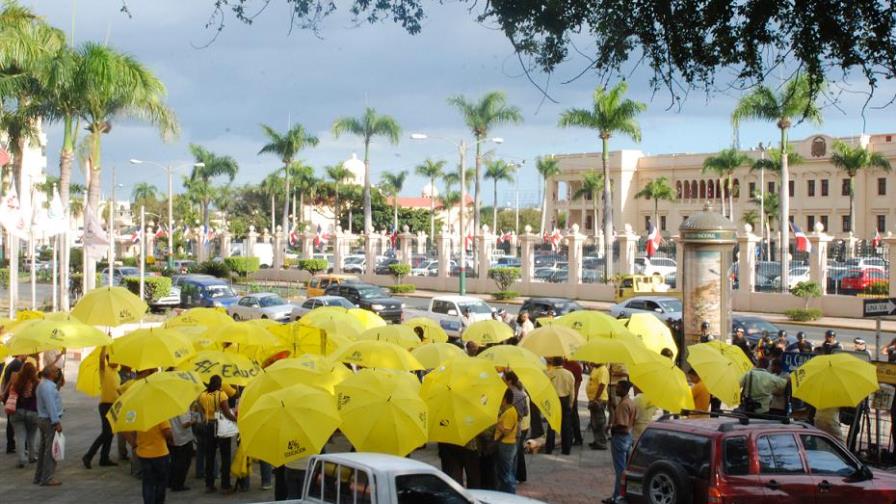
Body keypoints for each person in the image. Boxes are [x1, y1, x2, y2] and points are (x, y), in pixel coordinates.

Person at [198, 375, 237, 493]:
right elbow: (226, 413)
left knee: (210, 456)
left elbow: (199, 405)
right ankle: (225, 485)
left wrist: (205, 415)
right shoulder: (221, 395)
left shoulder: (203, 395)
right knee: (225, 456)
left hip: (208, 425)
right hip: (220, 426)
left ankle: (209, 484)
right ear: (220, 384)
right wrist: (235, 419)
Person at [83, 346, 120, 469]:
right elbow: (101, 360)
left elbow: (117, 389)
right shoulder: (105, 371)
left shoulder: (117, 373)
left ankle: (104, 458)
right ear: (108, 360)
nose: (117, 362)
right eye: (115, 359)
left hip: (114, 406)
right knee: (106, 433)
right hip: (105, 405)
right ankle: (88, 456)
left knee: (110, 433)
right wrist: (104, 345)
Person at [129, 421, 173, 504]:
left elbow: (132, 433)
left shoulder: (139, 417)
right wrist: (171, 438)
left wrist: (134, 445)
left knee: (147, 482)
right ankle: (158, 501)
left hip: (143, 454)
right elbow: (167, 433)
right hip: (160, 453)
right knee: (161, 481)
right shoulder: (159, 416)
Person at [605, 380, 635, 504]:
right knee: (625, 470)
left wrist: (612, 428)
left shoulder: (624, 405)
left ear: (624, 389)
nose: (616, 389)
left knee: (620, 471)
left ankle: (617, 497)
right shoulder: (628, 402)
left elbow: (623, 426)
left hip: (621, 438)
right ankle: (623, 495)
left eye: (618, 388)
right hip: (627, 438)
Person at [34, 365, 63, 486]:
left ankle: (39, 476)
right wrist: (56, 422)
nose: (58, 372)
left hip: (44, 418)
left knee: (43, 449)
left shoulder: (45, 384)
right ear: (50, 373)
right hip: (49, 420)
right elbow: (51, 405)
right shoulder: (47, 387)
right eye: (56, 371)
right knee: (50, 450)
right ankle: (47, 477)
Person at [8, 362, 39, 468]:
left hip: (17, 411)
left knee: (20, 437)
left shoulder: (17, 381)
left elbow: (11, 393)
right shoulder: (37, 383)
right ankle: (32, 456)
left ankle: (22, 459)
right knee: (32, 435)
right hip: (33, 412)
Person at [503, 371, 529, 483]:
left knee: (509, 457)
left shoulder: (507, 394)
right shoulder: (522, 394)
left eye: (504, 378)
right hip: (519, 427)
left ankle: (509, 479)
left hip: (508, 428)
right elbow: (526, 412)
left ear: (509, 381)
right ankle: (515, 477)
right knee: (516, 455)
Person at [545, 357, 575, 455]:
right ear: (562, 363)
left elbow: (546, 389)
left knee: (551, 424)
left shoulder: (549, 373)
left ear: (553, 363)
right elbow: (572, 391)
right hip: (565, 399)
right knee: (566, 425)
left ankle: (549, 448)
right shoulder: (569, 374)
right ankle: (566, 449)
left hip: (553, 399)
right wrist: (571, 403)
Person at [494, 389, 519, 494]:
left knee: (506, 473)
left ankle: (510, 494)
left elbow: (506, 431)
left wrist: (497, 423)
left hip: (506, 445)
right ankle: (505, 493)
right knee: (504, 471)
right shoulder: (509, 410)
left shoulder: (509, 412)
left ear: (504, 399)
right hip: (508, 444)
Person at [2, 354, 24, 454]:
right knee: (12, 422)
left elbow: (3, 379)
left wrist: (2, 391)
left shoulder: (10, 363)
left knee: (10, 421)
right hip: (12, 396)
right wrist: (4, 392)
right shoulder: (17, 364)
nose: (26, 355)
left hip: (8, 395)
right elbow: (12, 380)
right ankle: (11, 445)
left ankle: (10, 445)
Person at [168, 411, 195, 492]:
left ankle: (171, 481)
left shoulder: (168, 408)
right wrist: (193, 421)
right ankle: (178, 484)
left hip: (173, 438)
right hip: (183, 439)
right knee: (184, 462)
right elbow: (185, 424)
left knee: (174, 461)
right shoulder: (183, 409)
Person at [585, 362, 609, 450]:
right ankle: (597, 440)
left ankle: (601, 442)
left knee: (599, 422)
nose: (591, 362)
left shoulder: (603, 370)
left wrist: (595, 399)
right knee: (594, 422)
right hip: (593, 399)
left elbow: (602, 385)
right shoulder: (596, 368)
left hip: (599, 399)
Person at [562, 358, 584, 446]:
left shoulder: (576, 366)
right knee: (566, 419)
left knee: (574, 418)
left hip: (572, 395)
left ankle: (578, 438)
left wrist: (575, 397)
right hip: (563, 395)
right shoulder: (563, 364)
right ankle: (568, 437)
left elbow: (578, 383)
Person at [606, 363, 629, 430]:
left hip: (617, 386)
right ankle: (611, 425)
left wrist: (615, 373)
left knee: (617, 407)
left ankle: (618, 426)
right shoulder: (610, 361)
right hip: (609, 384)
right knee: (610, 407)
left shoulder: (622, 361)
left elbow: (626, 373)